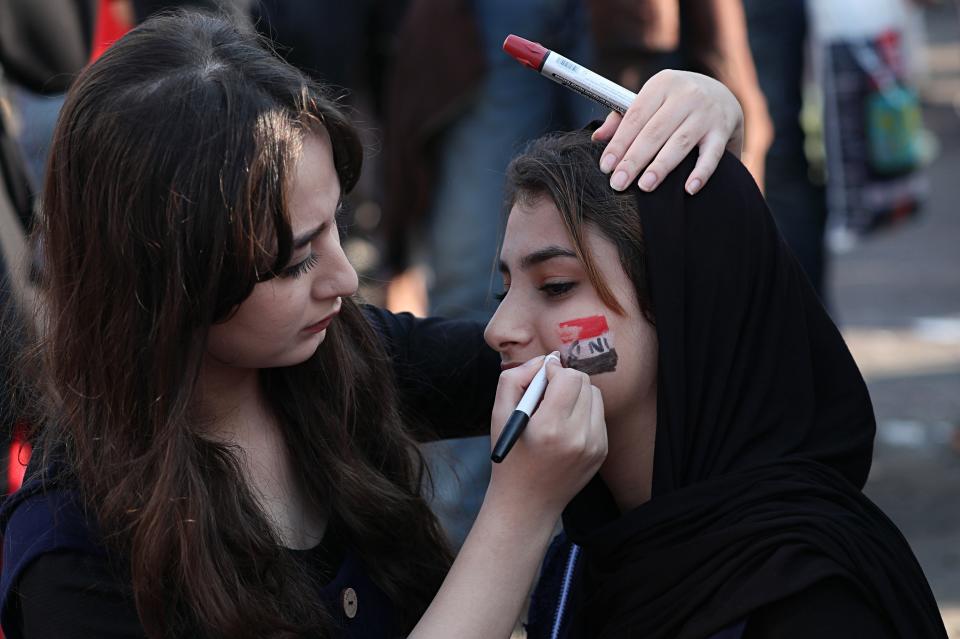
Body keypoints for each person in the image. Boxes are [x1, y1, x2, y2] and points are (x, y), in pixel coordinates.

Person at [0, 10, 747, 639]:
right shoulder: (76, 553)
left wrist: (699, 113)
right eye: (295, 261)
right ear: (167, 283)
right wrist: (519, 512)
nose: (345, 279)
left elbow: (581, 349)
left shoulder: (334, 357)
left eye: (338, 227)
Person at [484, 128, 948, 638]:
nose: (497, 330)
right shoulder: (577, 561)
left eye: (555, 286)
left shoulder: (810, 599)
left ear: (685, 304)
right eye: (503, 290)